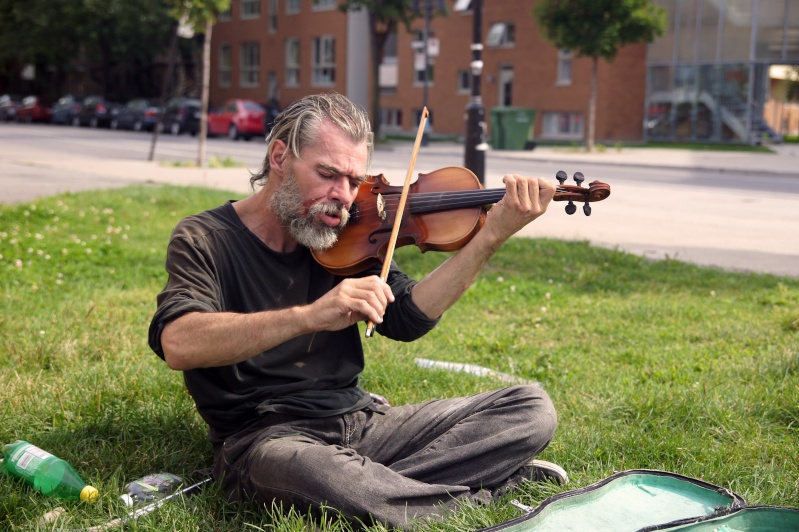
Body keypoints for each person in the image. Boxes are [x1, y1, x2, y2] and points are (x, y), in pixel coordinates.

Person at [148, 92, 566, 529]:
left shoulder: (349, 232)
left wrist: (490, 237)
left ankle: (393, 492)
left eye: (353, 179)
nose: (344, 196)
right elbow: (179, 342)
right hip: (268, 438)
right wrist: (310, 315)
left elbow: (407, 318)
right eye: (328, 174)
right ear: (279, 157)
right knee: (311, 473)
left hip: (362, 423)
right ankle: (484, 489)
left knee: (531, 407)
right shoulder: (205, 237)